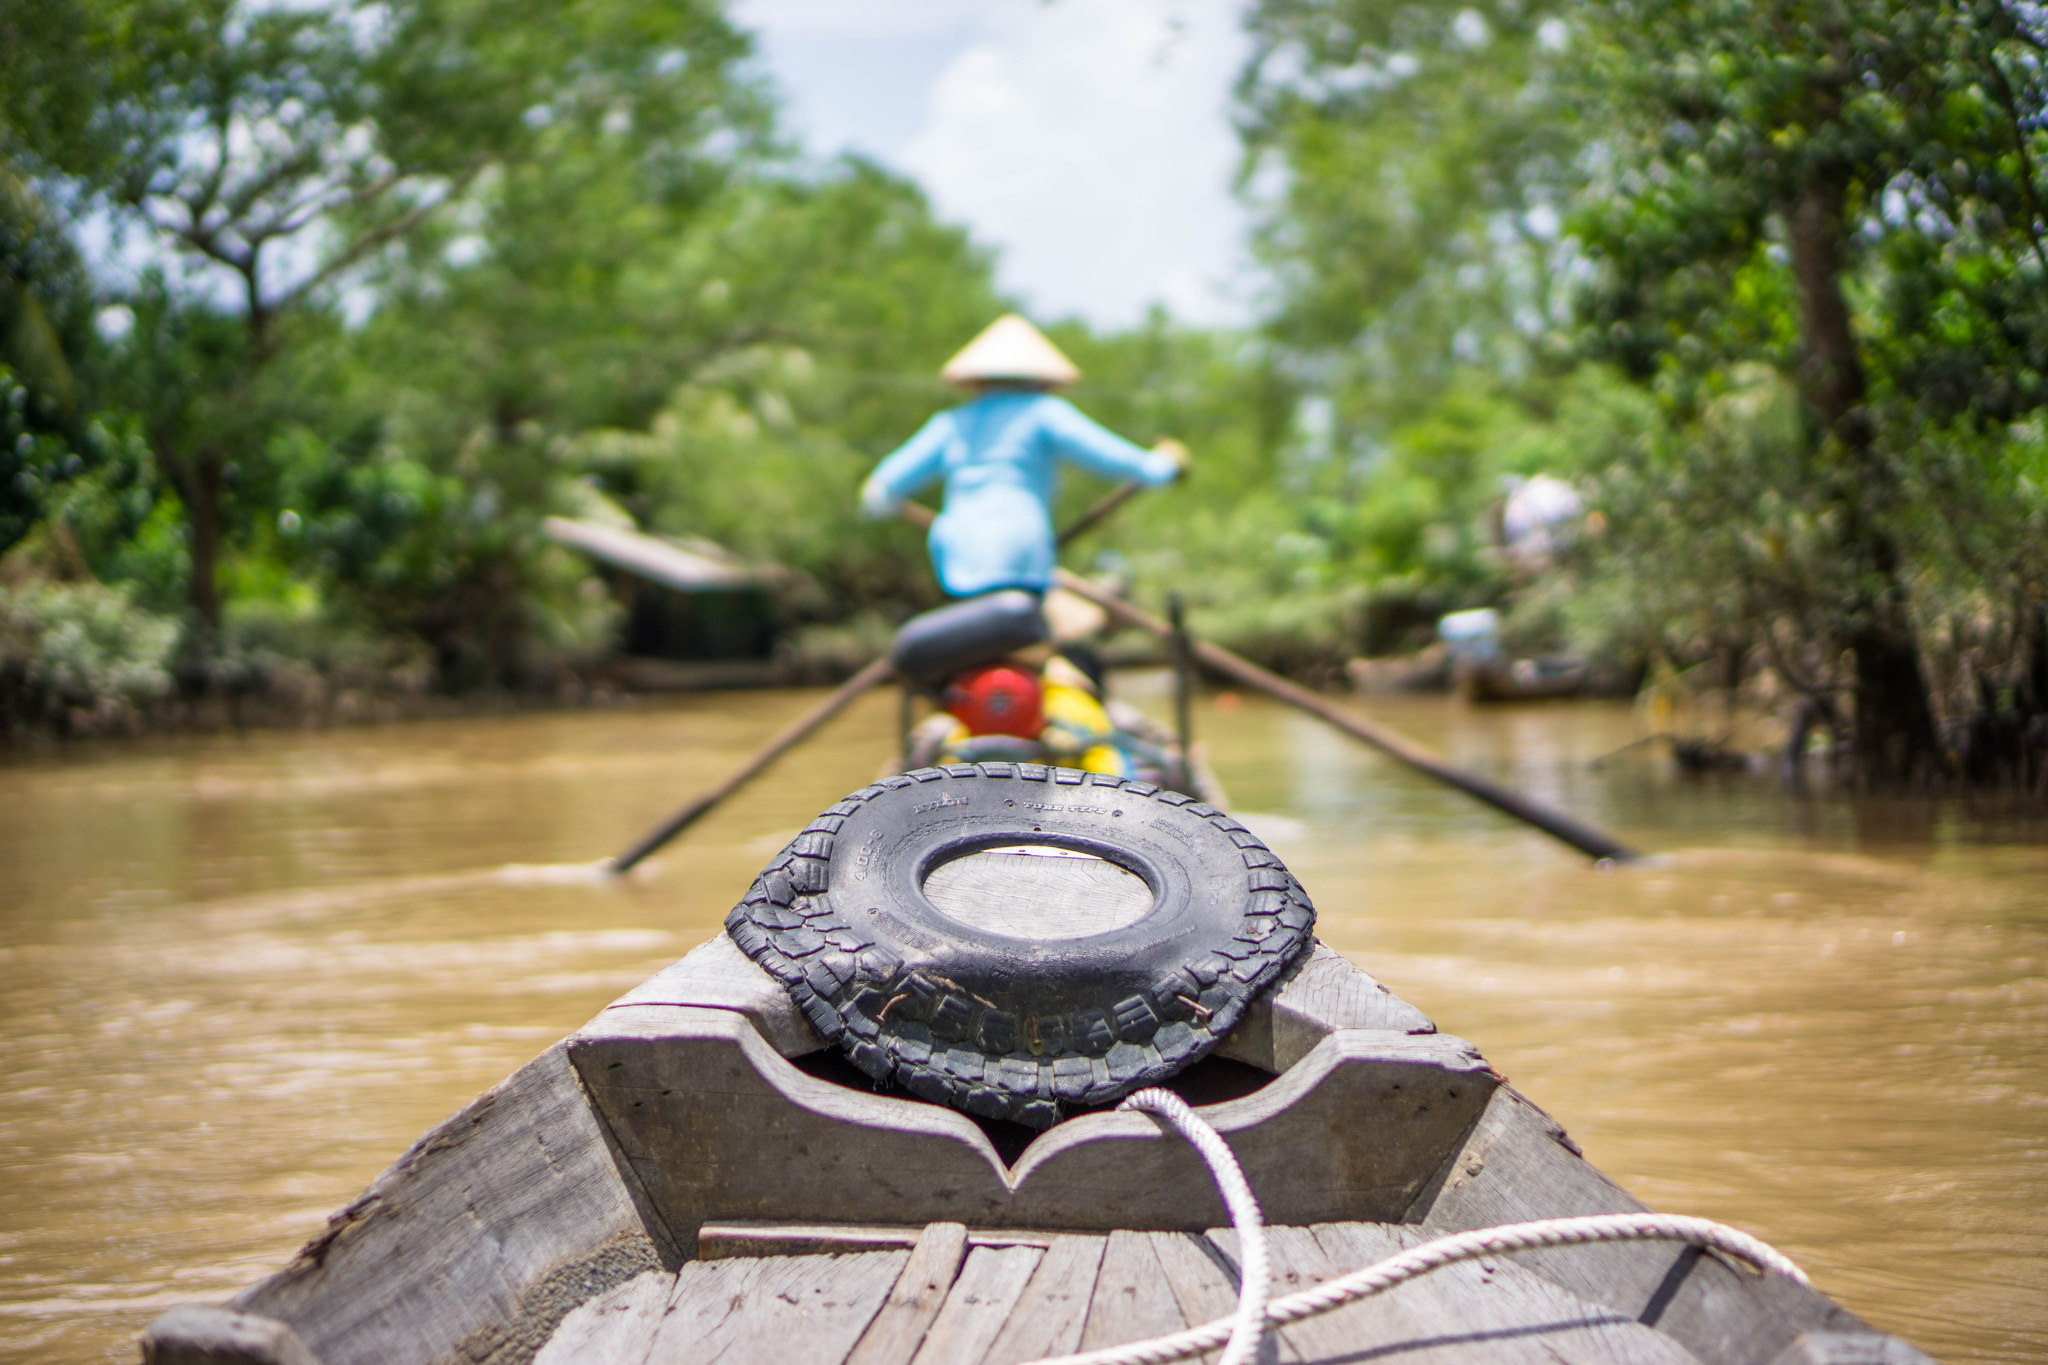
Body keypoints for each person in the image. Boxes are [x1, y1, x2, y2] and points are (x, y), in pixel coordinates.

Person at [861, 314, 1187, 598]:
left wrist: (886, 503)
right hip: (1022, 551)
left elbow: (882, 489)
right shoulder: (1045, 412)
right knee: (1024, 641)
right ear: (1041, 377)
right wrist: (1163, 466)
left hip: (959, 553)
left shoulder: (951, 423)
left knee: (972, 645)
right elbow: (1111, 457)